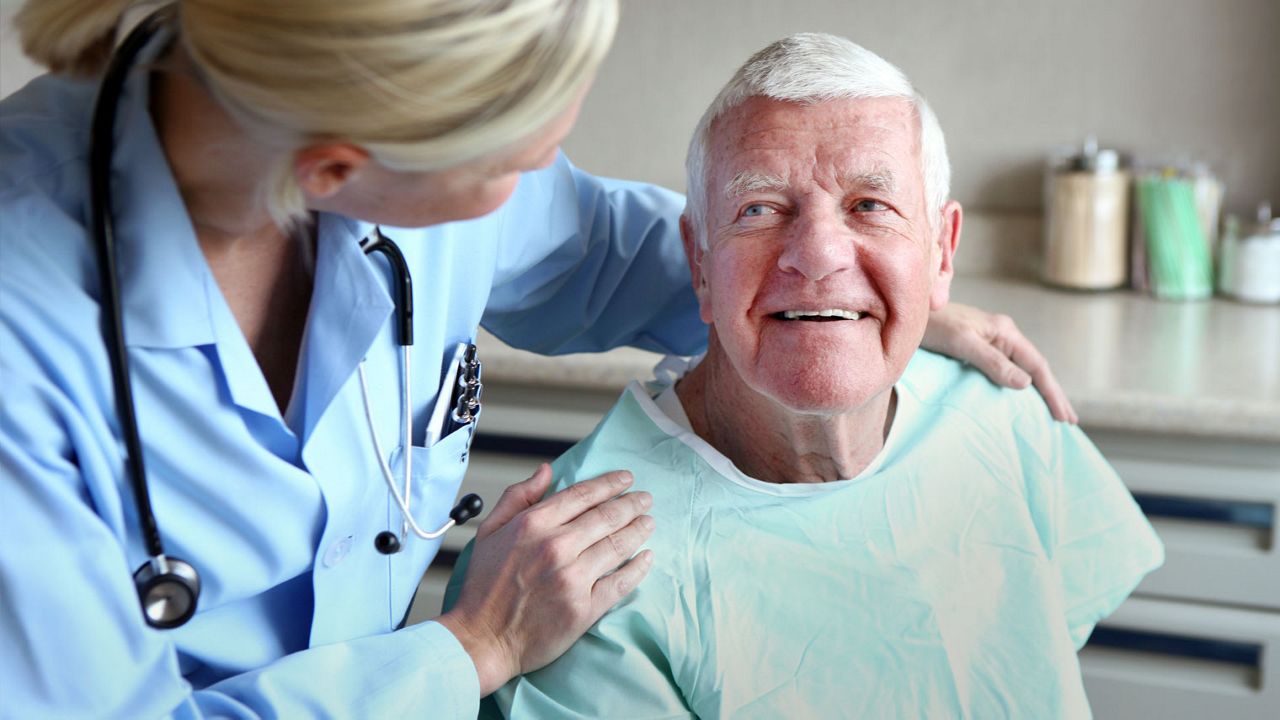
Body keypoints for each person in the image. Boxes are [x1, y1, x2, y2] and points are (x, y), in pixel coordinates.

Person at [0, 1, 1074, 716]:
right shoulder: (22, 340)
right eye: (518, 164)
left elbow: (610, 248)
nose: (539, 185)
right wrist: (467, 649)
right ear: (336, 171)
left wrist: (839, 291)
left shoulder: (365, 151)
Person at [450, 33, 1164, 718]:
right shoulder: (577, 578)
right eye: (760, 209)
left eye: (870, 207)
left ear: (941, 252)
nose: (819, 255)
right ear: (698, 261)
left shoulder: (1001, 411)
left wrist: (880, 312)